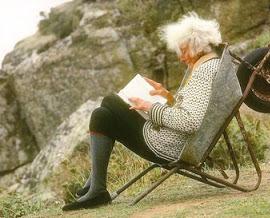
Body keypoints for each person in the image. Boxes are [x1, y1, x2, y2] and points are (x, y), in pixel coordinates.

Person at [62, 12, 222, 211]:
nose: (180, 57)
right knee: (100, 115)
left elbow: (190, 122)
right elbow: (192, 110)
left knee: (111, 101)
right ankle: (97, 188)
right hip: (174, 140)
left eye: (183, 50)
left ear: (197, 44)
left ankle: (94, 185)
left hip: (170, 145)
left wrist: (149, 106)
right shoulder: (208, 65)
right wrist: (166, 96)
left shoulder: (204, 72)